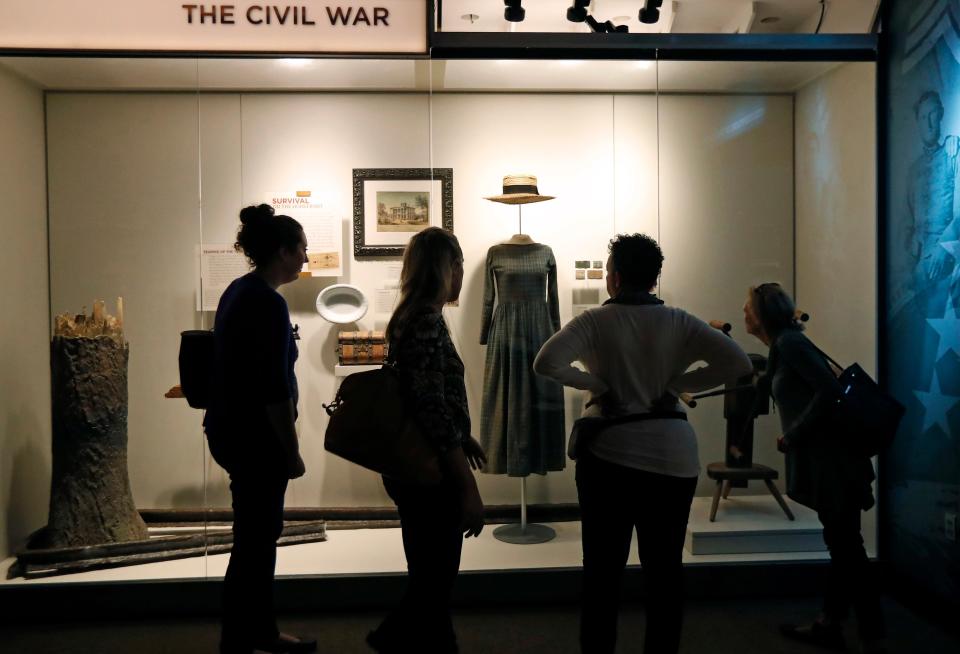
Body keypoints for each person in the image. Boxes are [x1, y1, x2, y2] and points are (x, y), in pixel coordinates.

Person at [533, 233, 752, 654]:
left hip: (609, 455)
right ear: (654, 278)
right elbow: (737, 363)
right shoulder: (680, 320)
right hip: (672, 456)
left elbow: (547, 362)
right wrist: (677, 384)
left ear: (613, 278)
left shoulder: (594, 321)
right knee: (665, 573)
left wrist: (597, 384)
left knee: (602, 573)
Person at [743, 282, 885, 654]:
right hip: (828, 459)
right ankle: (835, 623)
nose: (743, 313)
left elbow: (829, 391)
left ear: (762, 315)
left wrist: (794, 435)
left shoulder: (790, 344)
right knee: (842, 543)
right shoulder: (782, 347)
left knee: (845, 545)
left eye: (748, 307)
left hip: (833, 461)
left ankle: (871, 629)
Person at [367, 227, 487, 654]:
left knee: (428, 573)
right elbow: (429, 406)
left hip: (415, 462)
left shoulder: (413, 315)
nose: (459, 274)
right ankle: (406, 640)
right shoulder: (425, 320)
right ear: (447, 267)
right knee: (436, 575)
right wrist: (467, 485)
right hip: (428, 468)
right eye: (458, 265)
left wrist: (464, 435)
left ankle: (407, 639)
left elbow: (427, 397)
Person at [203, 204, 315, 654]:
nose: (306, 257)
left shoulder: (239, 290)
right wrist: (291, 452)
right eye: (302, 248)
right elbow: (272, 389)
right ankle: (251, 636)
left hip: (231, 430)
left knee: (252, 540)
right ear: (283, 251)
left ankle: (247, 633)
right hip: (256, 439)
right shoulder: (267, 302)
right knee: (256, 543)